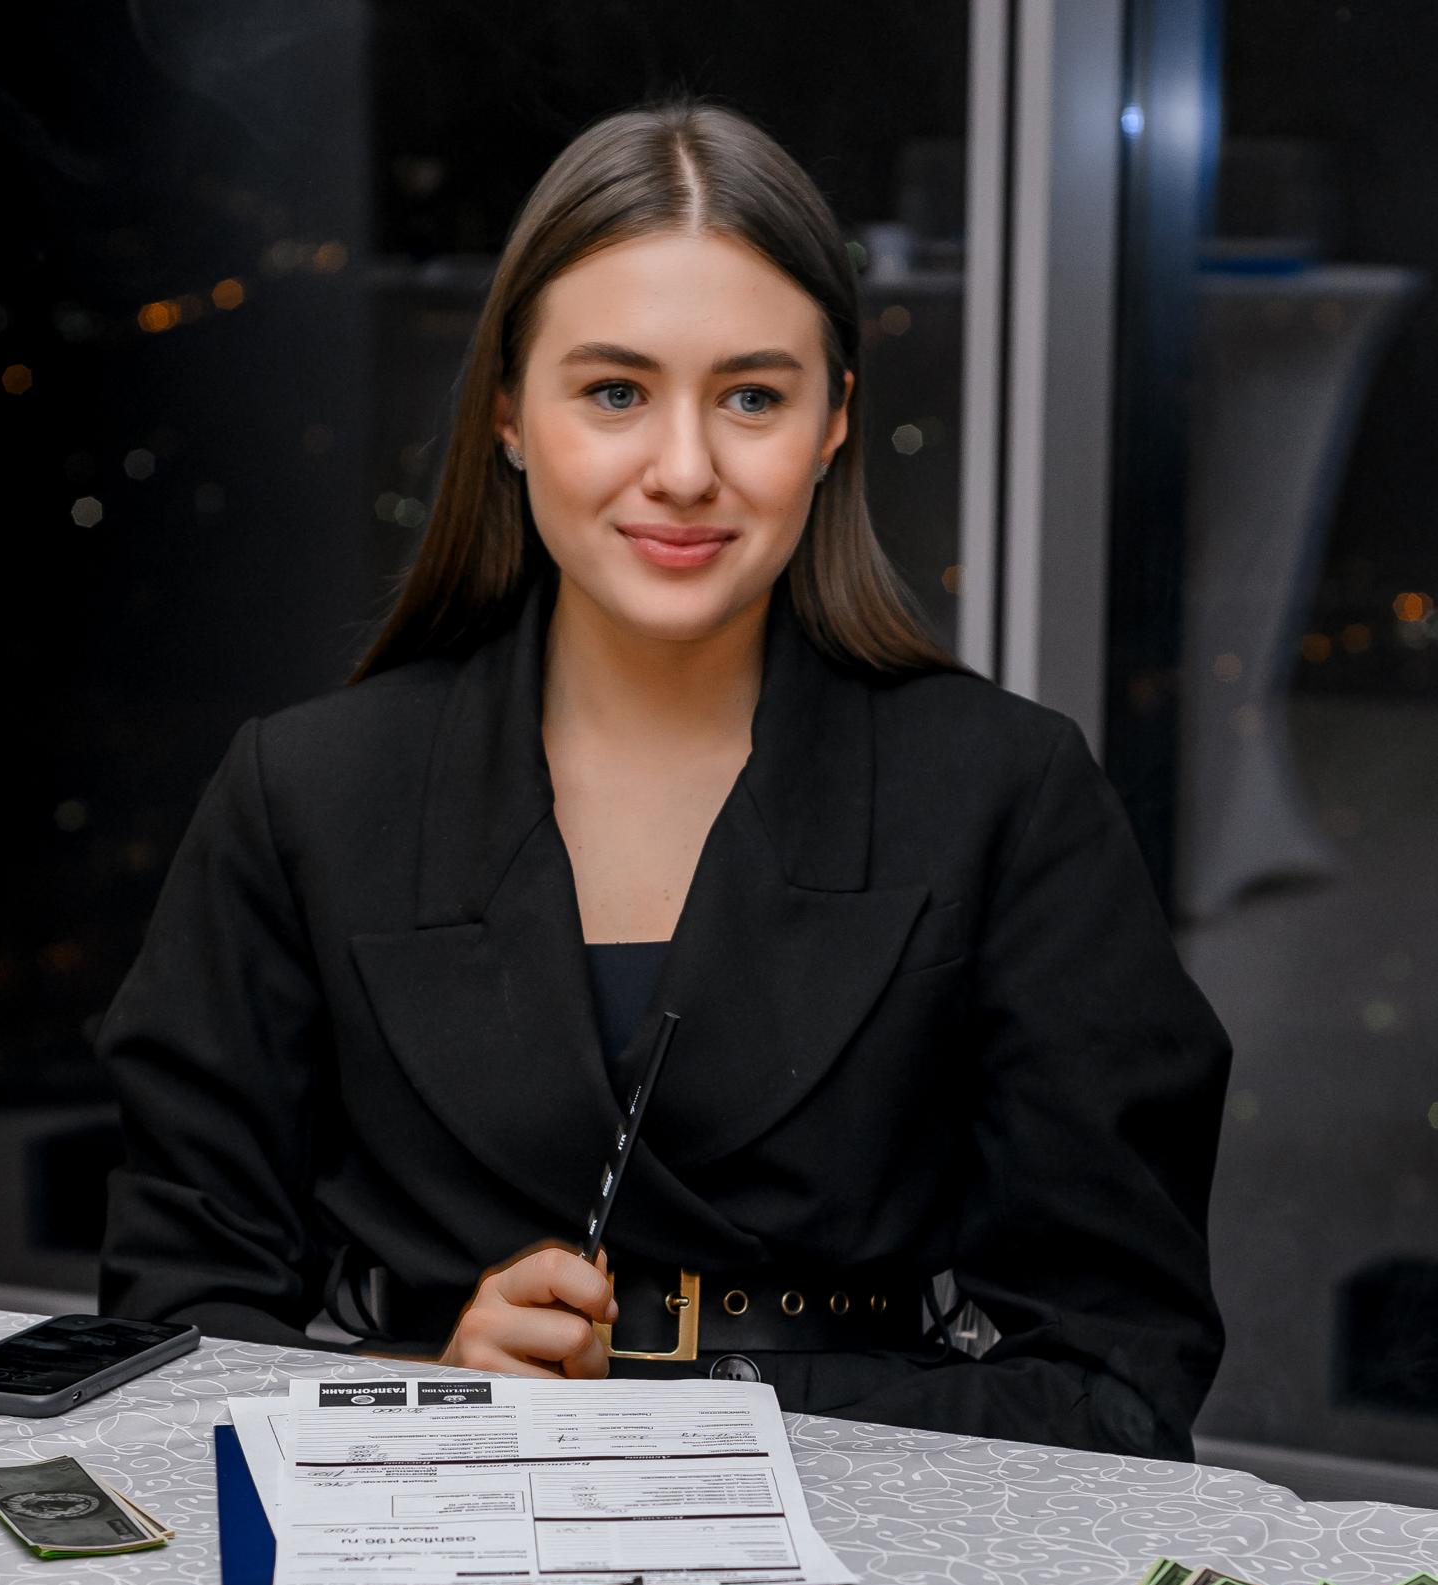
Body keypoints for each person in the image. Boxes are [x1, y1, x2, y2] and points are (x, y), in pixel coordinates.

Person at [100, 100, 1229, 1456]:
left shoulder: (1008, 791)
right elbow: (170, 1335)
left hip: (878, 1543)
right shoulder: (303, 793)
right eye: (614, 393)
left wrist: (712, 1432)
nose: (683, 470)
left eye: (751, 397)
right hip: (433, 1534)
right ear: (508, 413)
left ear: (831, 423)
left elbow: (1116, 1379)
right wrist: (431, 1392)